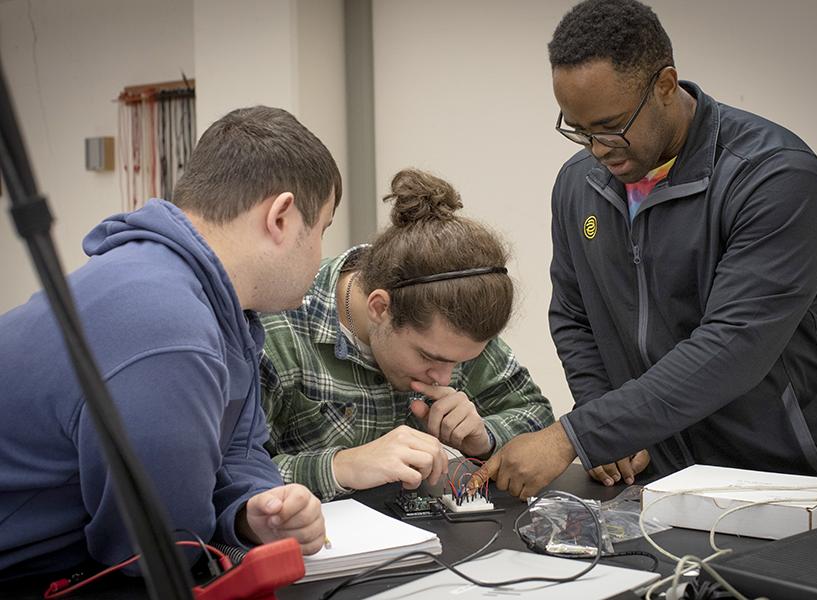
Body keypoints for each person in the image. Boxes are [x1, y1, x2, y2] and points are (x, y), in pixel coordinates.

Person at [471, 0, 817, 501]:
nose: (598, 149)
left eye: (611, 125)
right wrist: (612, 430)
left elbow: (732, 347)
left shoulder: (773, 177)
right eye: (579, 130)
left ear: (665, 85)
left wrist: (574, 435)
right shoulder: (580, 185)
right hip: (664, 484)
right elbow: (576, 316)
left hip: (793, 483)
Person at [0, 106, 340, 581]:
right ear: (281, 217)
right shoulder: (167, 329)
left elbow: (240, 451)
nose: (322, 253)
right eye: (323, 229)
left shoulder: (218, 307)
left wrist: (257, 509)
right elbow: (159, 555)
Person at [260, 168, 555, 501]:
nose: (444, 378)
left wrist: (483, 437)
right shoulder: (278, 326)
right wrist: (340, 466)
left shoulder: (451, 326)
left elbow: (539, 421)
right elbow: (230, 476)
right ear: (380, 308)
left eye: (460, 361)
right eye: (428, 357)